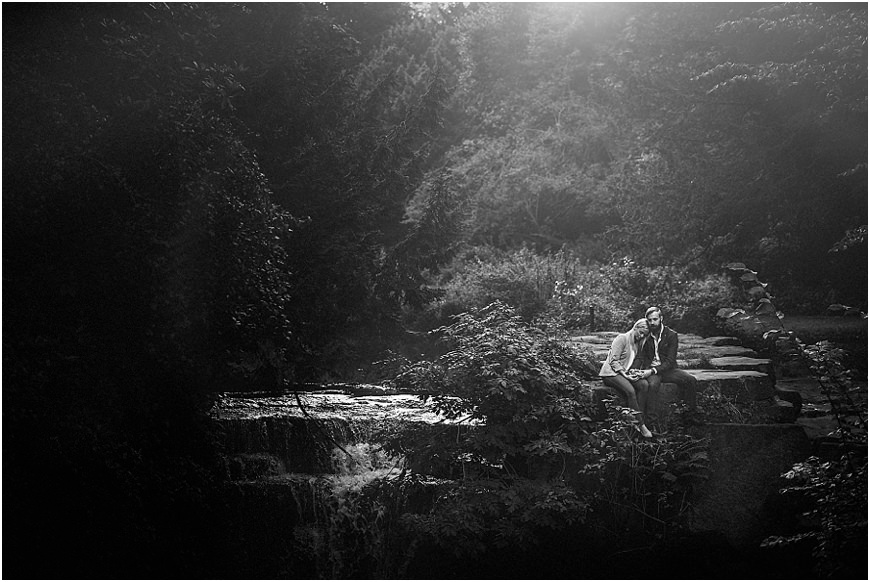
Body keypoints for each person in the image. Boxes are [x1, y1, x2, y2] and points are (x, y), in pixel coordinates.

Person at [599, 318, 655, 438]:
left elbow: (634, 360)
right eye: (640, 333)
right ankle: (641, 425)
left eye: (644, 335)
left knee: (644, 385)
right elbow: (613, 360)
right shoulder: (622, 338)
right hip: (610, 373)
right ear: (635, 327)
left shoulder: (636, 343)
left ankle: (639, 417)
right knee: (630, 391)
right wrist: (625, 374)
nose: (641, 336)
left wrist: (634, 372)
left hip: (623, 372)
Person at [641, 306, 699, 416]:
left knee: (690, 380)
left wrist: (653, 370)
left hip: (667, 369)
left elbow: (670, 361)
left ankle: (690, 415)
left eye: (655, 319)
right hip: (650, 370)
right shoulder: (645, 335)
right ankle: (651, 420)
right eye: (649, 320)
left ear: (661, 318)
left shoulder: (671, 335)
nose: (652, 322)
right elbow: (641, 356)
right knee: (653, 385)